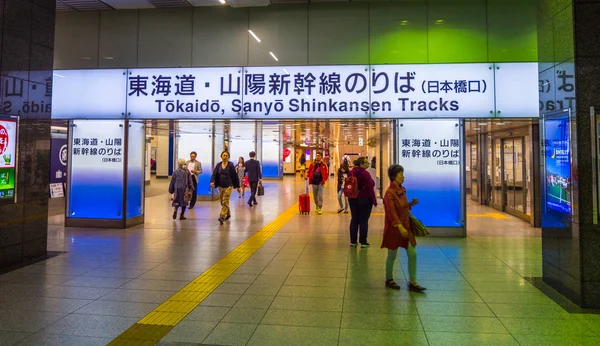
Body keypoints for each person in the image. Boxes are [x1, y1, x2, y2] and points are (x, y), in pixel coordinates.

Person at [381, 164, 426, 293]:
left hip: (406, 226)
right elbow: (391, 212)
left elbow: (403, 207)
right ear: (394, 177)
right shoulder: (389, 193)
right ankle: (389, 279)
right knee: (392, 255)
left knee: (413, 253)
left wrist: (411, 203)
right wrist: (400, 227)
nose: (403, 177)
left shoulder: (402, 190)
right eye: (401, 175)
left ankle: (413, 281)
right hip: (395, 228)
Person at [348, 156, 377, 248]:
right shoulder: (365, 173)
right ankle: (363, 242)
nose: (368, 164)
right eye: (366, 162)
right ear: (361, 164)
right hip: (364, 199)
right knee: (363, 220)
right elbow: (370, 187)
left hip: (352, 198)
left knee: (354, 219)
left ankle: (353, 241)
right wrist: (374, 200)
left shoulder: (351, 172)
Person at [210, 151, 240, 225]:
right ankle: (228, 214)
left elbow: (235, 176)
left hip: (228, 186)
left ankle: (222, 216)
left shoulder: (231, 165)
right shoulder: (218, 165)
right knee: (222, 202)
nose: (225, 156)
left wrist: (238, 186)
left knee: (225, 201)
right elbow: (214, 174)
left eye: (226, 155)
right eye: (224, 155)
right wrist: (212, 181)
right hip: (220, 186)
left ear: (228, 157)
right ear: (221, 156)